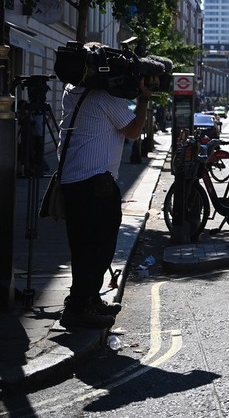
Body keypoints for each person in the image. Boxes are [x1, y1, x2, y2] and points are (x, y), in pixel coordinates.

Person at [58, 69, 153, 329]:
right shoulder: (106, 97)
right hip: (96, 183)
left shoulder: (71, 89)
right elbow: (133, 131)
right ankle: (77, 308)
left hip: (73, 180)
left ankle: (88, 299)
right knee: (98, 248)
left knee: (83, 246)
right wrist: (143, 98)